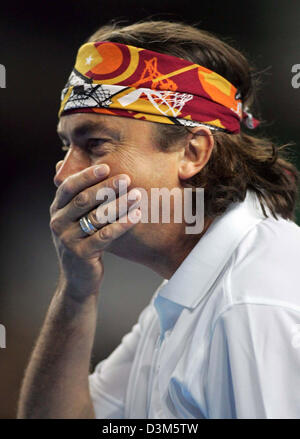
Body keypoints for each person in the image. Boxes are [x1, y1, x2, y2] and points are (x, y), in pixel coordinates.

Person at [17, 20, 300, 419]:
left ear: (193, 152)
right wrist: (76, 292)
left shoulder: (250, 303)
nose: (64, 174)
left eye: (95, 143)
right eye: (67, 146)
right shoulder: (187, 293)